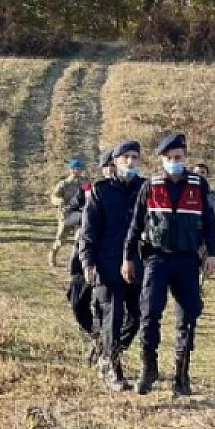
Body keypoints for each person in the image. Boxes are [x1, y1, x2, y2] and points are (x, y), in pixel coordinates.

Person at [124, 132, 215, 396]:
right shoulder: (150, 186)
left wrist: (211, 253)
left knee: (188, 317)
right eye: (169, 158)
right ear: (162, 159)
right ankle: (148, 369)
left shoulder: (198, 185)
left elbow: (210, 223)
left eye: (179, 157)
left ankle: (181, 375)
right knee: (149, 313)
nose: (175, 161)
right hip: (157, 258)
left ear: (184, 157)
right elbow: (135, 225)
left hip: (187, 260)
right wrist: (128, 257)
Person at [79, 141, 146, 391]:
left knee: (137, 318)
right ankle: (112, 369)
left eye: (135, 157)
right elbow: (88, 231)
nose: (130, 162)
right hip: (107, 265)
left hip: (138, 266)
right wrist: (88, 262)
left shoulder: (146, 188)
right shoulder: (101, 190)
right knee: (113, 316)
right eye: (125, 157)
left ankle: (107, 351)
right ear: (115, 162)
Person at [66, 148, 118, 365]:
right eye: (109, 166)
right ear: (103, 168)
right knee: (76, 299)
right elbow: (69, 214)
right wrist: (87, 216)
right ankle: (95, 334)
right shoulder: (88, 189)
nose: (113, 170)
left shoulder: (130, 191)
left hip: (110, 256)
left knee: (105, 305)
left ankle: (106, 349)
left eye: (116, 165)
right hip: (83, 253)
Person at [50, 158, 88, 266]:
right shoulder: (64, 184)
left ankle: (76, 260)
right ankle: (53, 254)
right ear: (71, 170)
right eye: (77, 168)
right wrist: (59, 201)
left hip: (79, 215)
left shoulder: (84, 183)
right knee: (61, 240)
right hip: (65, 216)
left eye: (80, 169)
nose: (79, 171)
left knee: (79, 238)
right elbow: (53, 197)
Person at [191, 163, 215, 238]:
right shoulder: (186, 194)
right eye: (196, 173)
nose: (199, 175)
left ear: (207, 175)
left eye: (202, 172)